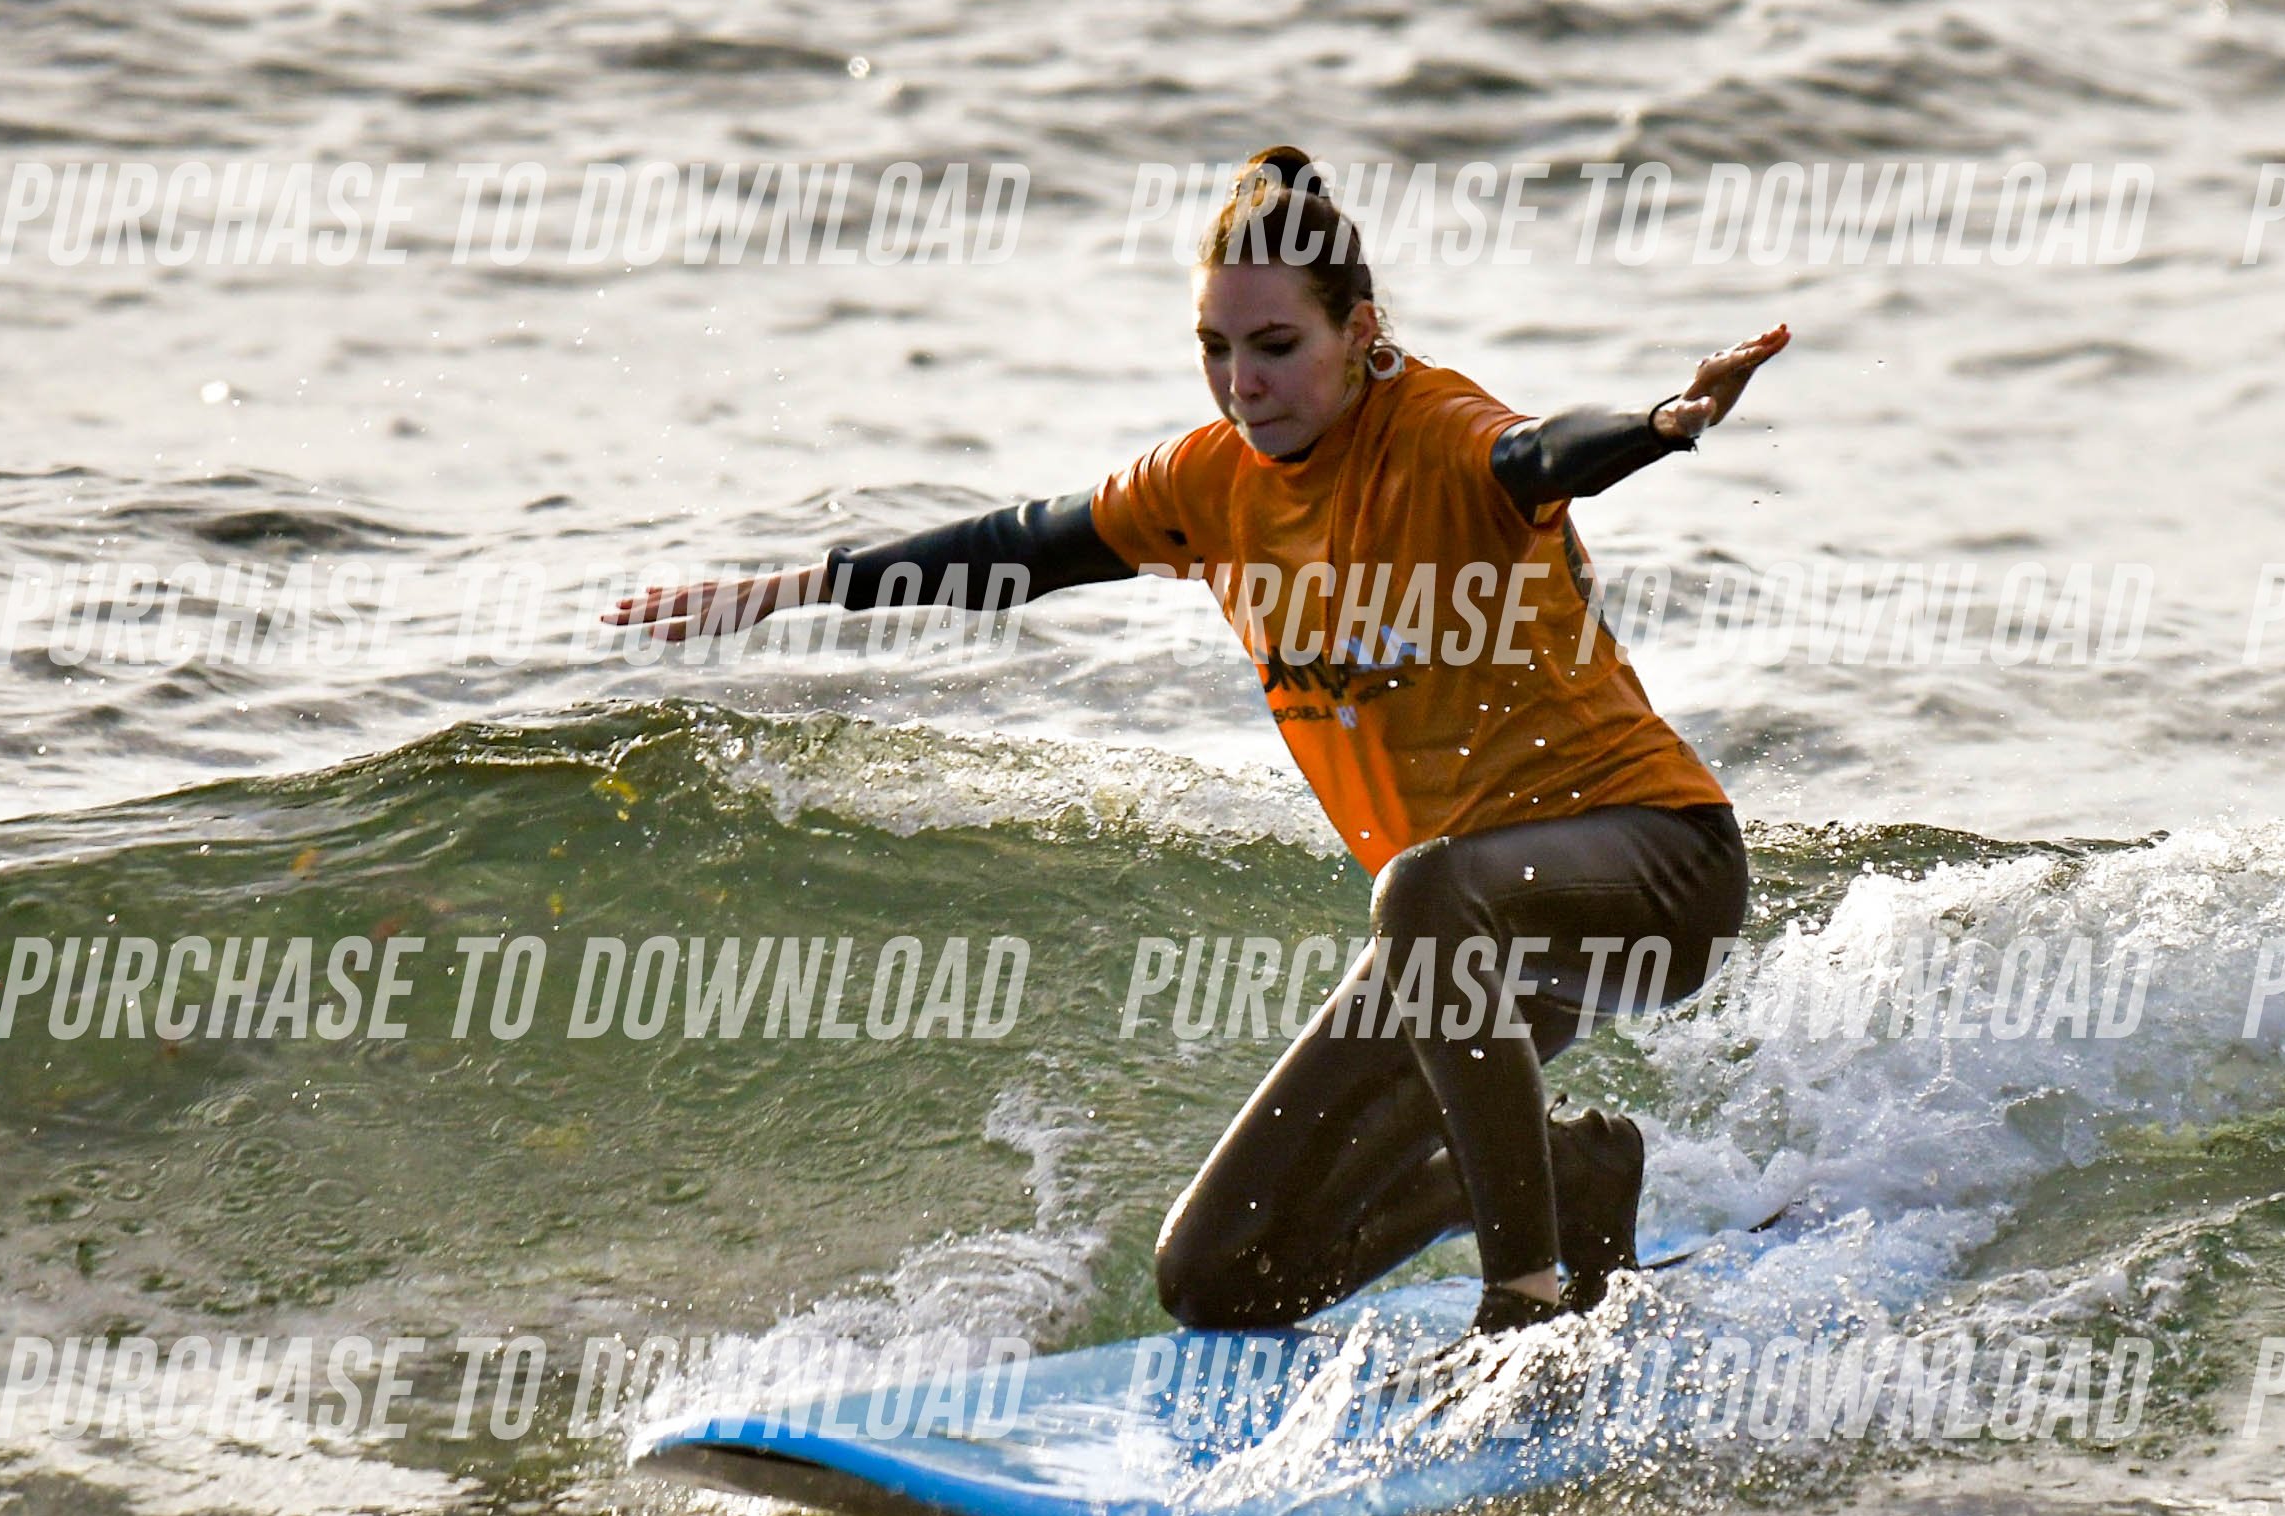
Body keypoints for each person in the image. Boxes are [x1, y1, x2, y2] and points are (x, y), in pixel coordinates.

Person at [614, 146, 1785, 1337]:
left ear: (1360, 332)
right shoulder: (1211, 484)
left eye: (1274, 346)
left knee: (1421, 890)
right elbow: (1025, 544)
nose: (1242, 383)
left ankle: (1520, 1305)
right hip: (1461, 942)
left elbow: (1535, 451)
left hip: (1656, 872)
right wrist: (803, 586)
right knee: (1221, 1276)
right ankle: (1576, 1178)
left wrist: (1658, 425)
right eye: (1215, 349)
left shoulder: (1433, 433)